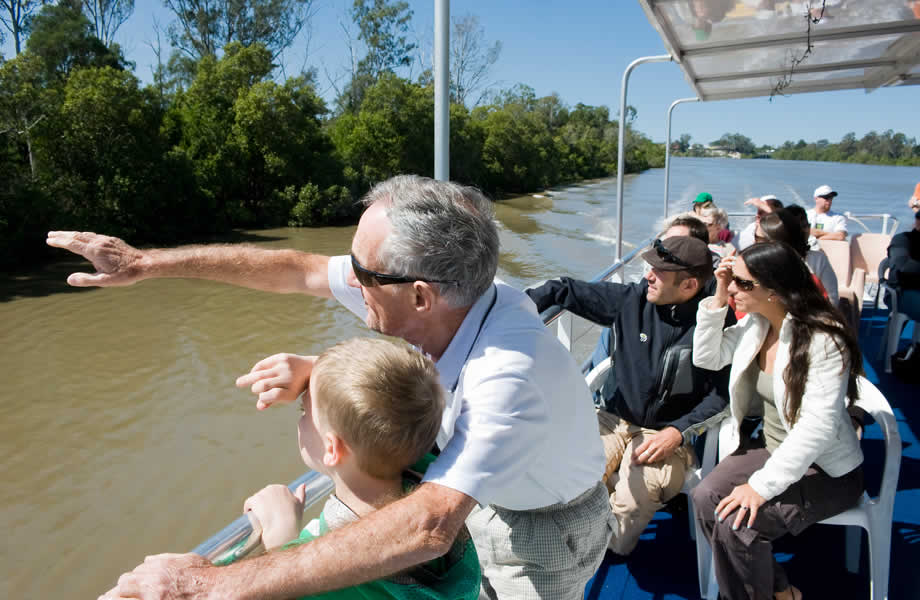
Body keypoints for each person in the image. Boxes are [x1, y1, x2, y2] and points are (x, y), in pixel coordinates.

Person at [50, 175, 612, 600]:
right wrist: (145, 264)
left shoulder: (505, 373)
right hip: (489, 493)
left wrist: (208, 585)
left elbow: (431, 524)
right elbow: (297, 269)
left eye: (363, 273)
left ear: (420, 296)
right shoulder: (455, 294)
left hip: (544, 529)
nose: (347, 278)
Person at [224, 337, 480, 599]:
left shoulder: (343, 573)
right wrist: (323, 374)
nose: (300, 420)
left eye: (304, 411)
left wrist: (283, 537)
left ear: (332, 448)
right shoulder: (426, 474)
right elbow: (400, 398)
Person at [526, 236, 730, 556]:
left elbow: (722, 397)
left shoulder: (716, 326)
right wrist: (515, 310)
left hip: (667, 432)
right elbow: (563, 288)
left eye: (659, 271)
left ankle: (601, 553)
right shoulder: (632, 301)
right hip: (612, 415)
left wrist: (677, 432)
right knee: (571, 471)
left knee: (632, 501)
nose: (647, 274)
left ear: (689, 284)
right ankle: (572, 541)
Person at [691, 241, 864, 600]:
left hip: (826, 470)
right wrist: (719, 296)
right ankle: (781, 592)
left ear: (775, 290)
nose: (734, 287)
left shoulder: (823, 338)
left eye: (743, 283)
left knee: (736, 523)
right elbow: (707, 357)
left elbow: (816, 427)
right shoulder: (757, 325)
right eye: (731, 279)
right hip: (774, 449)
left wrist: (759, 488)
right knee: (705, 497)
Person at [756, 211, 835, 304]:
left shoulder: (816, 263)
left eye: (760, 240)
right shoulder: (753, 265)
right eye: (755, 237)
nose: (754, 244)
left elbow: (831, 301)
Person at [782, 204, 839, 305]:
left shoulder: (819, 260)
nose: (803, 231)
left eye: (805, 226)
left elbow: (832, 299)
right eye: (796, 227)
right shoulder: (773, 258)